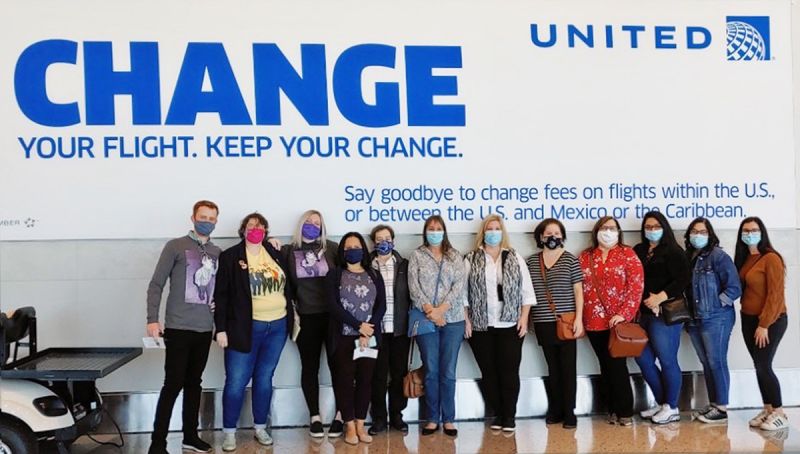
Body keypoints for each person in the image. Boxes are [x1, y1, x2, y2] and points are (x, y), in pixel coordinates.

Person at [146, 200, 221, 454]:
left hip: (204, 329)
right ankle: (158, 443)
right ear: (192, 218)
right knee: (173, 384)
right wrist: (152, 319)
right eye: (203, 217)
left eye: (212, 219)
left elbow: (219, 290)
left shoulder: (217, 252)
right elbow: (156, 284)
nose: (207, 222)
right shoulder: (175, 246)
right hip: (178, 328)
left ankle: (190, 436)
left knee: (194, 384)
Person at [214, 213, 294, 450]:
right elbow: (222, 295)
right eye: (251, 226)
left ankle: (260, 426)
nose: (255, 230)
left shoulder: (275, 253)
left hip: (277, 326)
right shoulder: (231, 256)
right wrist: (221, 329)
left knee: (264, 379)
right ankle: (229, 431)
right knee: (236, 381)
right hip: (244, 328)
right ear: (243, 230)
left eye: (260, 227)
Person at [465, 214, 536, 432]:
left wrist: (524, 318)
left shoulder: (514, 257)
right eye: (489, 228)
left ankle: (510, 416)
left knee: (509, 371)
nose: (493, 232)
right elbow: (463, 293)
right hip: (480, 325)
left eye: (497, 228)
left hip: (510, 324)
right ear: (483, 232)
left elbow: (527, 292)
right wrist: (466, 320)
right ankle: (498, 413)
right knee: (489, 372)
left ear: (502, 231)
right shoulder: (470, 258)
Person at [281, 210, 343, 437]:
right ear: (301, 224)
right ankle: (314, 416)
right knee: (310, 367)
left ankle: (340, 415)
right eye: (309, 222)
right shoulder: (289, 251)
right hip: (306, 318)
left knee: (339, 367)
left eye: (317, 223)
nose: (313, 225)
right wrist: (270, 241)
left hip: (333, 317)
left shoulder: (333, 249)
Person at [579, 216, 643, 427]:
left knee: (617, 365)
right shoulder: (586, 256)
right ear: (596, 231)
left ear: (618, 231)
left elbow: (636, 287)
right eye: (604, 228)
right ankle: (611, 408)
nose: (608, 232)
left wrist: (624, 314)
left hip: (618, 322)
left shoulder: (627, 254)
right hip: (593, 321)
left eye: (612, 228)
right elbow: (579, 289)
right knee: (605, 365)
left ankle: (625, 410)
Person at [408, 215, 468, 437]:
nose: (434, 231)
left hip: (452, 320)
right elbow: (413, 287)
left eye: (438, 228)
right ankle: (432, 418)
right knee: (431, 370)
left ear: (444, 231)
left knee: (448, 371)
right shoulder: (416, 255)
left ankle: (449, 419)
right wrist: (431, 312)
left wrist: (442, 310)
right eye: (431, 228)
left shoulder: (455, 256)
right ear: (425, 231)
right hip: (425, 320)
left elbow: (459, 286)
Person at [327, 232, 387, 445]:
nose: (353, 250)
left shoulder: (374, 274)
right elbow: (333, 306)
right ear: (343, 252)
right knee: (344, 381)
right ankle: (349, 426)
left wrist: (367, 329)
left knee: (365, 381)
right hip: (344, 336)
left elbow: (382, 305)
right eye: (348, 247)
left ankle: (361, 425)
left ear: (363, 249)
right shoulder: (335, 275)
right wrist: (358, 326)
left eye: (357, 246)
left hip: (368, 338)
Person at [633, 211, 691, 424]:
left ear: (664, 227)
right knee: (643, 359)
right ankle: (661, 403)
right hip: (643, 315)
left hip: (664, 315)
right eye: (648, 226)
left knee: (667, 360)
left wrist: (660, 297)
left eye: (656, 226)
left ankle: (672, 407)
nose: (652, 230)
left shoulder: (674, 251)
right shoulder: (639, 250)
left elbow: (683, 279)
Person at [683, 217, 741, 424]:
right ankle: (714, 403)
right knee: (706, 361)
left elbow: (734, 288)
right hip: (694, 319)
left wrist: (716, 305)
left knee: (717, 360)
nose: (697, 235)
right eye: (694, 231)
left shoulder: (718, 256)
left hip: (717, 318)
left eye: (702, 232)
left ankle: (722, 407)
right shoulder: (689, 257)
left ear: (710, 235)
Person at [527, 218, 583, 429]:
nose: (552, 237)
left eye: (557, 233)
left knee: (568, 368)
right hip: (543, 321)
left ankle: (570, 412)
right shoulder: (532, 261)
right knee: (553, 368)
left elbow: (579, 291)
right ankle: (556, 409)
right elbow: (528, 293)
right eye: (548, 233)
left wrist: (579, 318)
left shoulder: (570, 259)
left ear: (562, 236)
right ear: (540, 237)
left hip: (567, 321)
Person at [734, 216, 789, 431]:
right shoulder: (745, 258)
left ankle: (779, 412)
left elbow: (776, 295)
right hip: (748, 319)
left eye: (754, 230)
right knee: (759, 366)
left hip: (770, 321)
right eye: (745, 231)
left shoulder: (771, 258)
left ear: (762, 232)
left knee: (764, 365)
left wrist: (764, 324)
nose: (749, 233)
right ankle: (767, 409)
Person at [367, 225, 412, 435]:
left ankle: (397, 416)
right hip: (375, 330)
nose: (383, 241)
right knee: (376, 375)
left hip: (399, 330)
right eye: (379, 238)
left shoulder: (404, 264)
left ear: (393, 240)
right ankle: (378, 418)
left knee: (398, 373)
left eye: (387, 237)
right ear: (373, 242)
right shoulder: (366, 265)